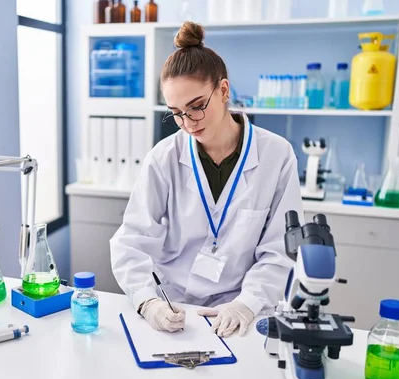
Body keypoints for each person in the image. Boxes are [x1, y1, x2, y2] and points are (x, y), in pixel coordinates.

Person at [110, 21, 304, 338]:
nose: (187, 123)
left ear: (224, 90)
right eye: (175, 112)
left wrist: (247, 304)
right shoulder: (164, 158)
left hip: (241, 313)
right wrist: (148, 303)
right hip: (174, 308)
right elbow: (130, 242)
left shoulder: (276, 155)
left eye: (196, 106)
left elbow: (280, 252)